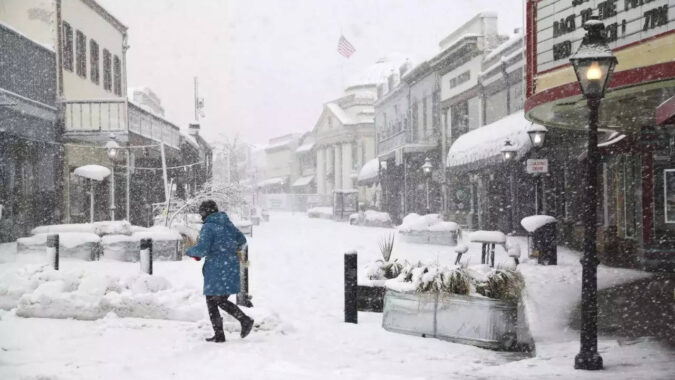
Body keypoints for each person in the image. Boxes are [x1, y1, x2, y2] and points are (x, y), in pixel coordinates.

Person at [187, 200, 254, 343]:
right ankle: (219, 334)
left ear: (207, 212)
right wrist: (229, 249)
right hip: (230, 266)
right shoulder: (228, 224)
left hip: (217, 268)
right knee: (214, 299)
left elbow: (202, 249)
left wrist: (190, 251)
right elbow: (242, 240)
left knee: (216, 300)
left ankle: (244, 320)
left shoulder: (209, 227)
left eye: (202, 213)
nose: (201, 216)